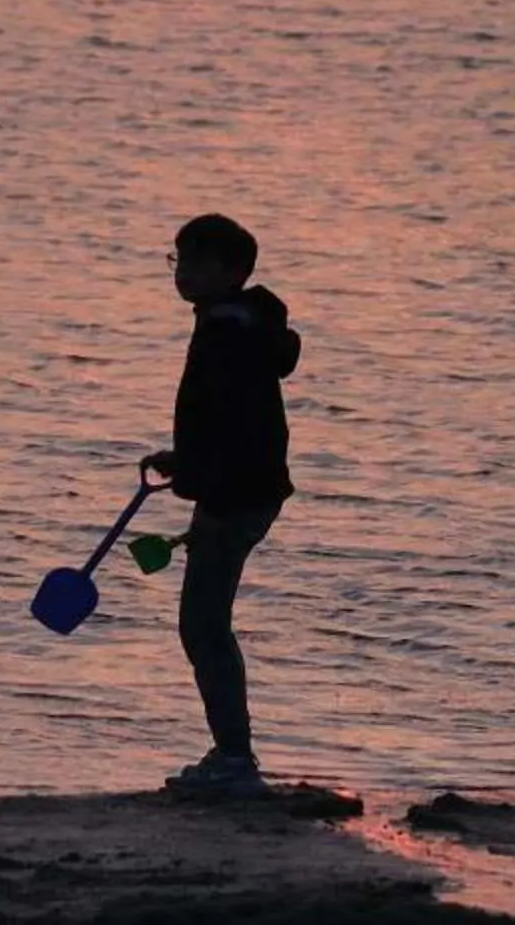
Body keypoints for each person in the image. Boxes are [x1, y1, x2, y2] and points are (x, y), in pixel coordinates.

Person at [145, 213, 301, 797]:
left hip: (235, 493)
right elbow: (230, 423)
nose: (182, 273)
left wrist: (211, 495)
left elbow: (240, 427)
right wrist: (186, 459)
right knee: (207, 623)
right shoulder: (238, 323)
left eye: (195, 263)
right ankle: (231, 752)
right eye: (177, 260)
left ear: (233, 272)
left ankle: (234, 759)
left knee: (203, 625)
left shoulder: (228, 335)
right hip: (244, 488)